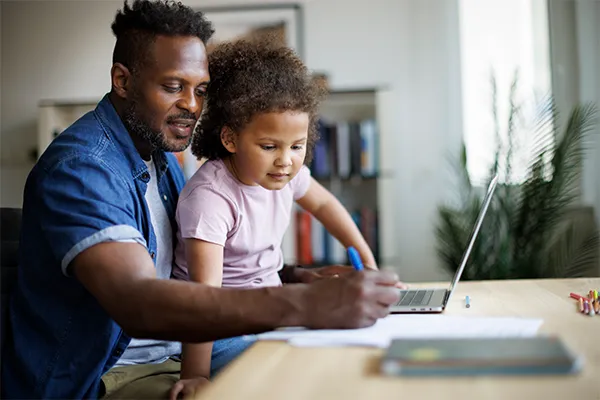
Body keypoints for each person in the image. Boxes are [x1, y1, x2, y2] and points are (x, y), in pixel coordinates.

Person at [1, 1, 402, 399]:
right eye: (174, 87)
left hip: (172, 353)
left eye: (201, 90)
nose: (193, 105)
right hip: (111, 376)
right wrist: (305, 303)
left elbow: (199, 267)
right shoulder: (82, 169)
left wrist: (292, 278)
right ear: (122, 81)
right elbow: (138, 302)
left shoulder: (158, 156)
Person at [169, 38, 382, 398]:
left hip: (269, 317)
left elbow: (326, 206)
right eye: (269, 146)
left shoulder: (284, 175)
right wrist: (195, 375)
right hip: (223, 332)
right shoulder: (210, 199)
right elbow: (203, 300)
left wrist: (364, 256)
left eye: (296, 146)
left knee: (353, 348)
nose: (286, 160)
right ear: (230, 138)